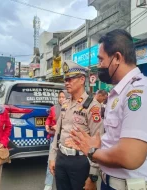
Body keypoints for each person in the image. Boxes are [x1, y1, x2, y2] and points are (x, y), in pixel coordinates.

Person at [70, 29, 147, 190]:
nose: (99, 66)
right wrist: (99, 150)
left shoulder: (140, 92)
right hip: (110, 183)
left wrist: (92, 151)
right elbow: (113, 141)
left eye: (101, 60)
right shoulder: (118, 93)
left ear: (117, 58)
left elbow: (130, 156)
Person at [48, 60, 103, 190]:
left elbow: (97, 142)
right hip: (61, 158)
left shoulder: (92, 106)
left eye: (70, 79)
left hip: (80, 162)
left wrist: (93, 175)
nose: (66, 83)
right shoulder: (66, 104)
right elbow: (58, 133)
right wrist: (52, 157)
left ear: (82, 79)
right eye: (65, 79)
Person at [44, 91, 66, 190]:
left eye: (63, 97)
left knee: (63, 163)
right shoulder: (53, 108)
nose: (61, 99)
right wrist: (47, 125)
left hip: (66, 140)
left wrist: (60, 127)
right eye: (60, 97)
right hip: (54, 138)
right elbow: (48, 119)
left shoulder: (73, 108)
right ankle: (48, 184)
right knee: (51, 160)